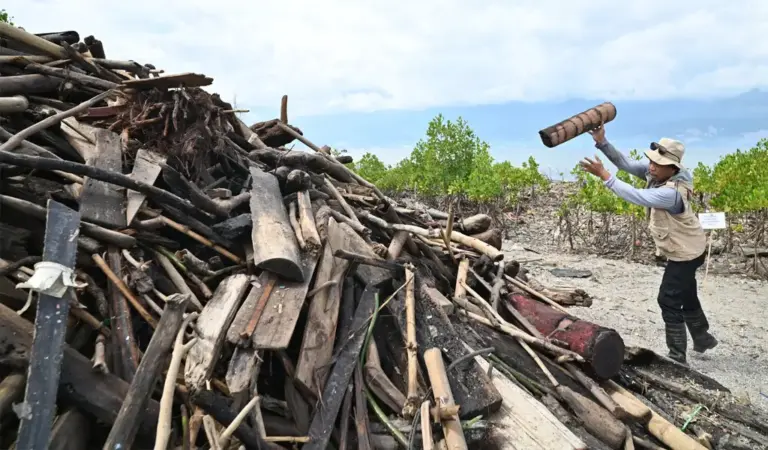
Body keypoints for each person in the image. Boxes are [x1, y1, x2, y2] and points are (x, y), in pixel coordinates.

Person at [578, 125, 717, 364]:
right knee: (686, 292)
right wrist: (602, 142)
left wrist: (604, 176)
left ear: (673, 169)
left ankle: (677, 356)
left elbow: (637, 196)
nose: (651, 166)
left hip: (686, 252)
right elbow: (626, 164)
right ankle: (702, 337)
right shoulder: (659, 174)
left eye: (657, 163)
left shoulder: (671, 194)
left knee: (668, 298)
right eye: (651, 161)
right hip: (690, 246)